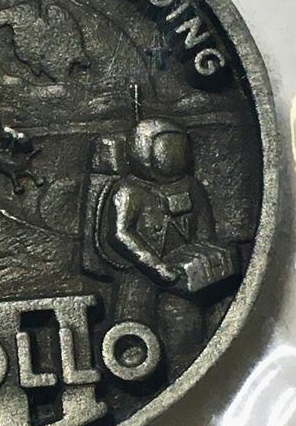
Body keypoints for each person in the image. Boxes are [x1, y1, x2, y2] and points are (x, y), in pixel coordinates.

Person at [93, 119, 236, 379]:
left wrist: (206, 259)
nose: (173, 153)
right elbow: (120, 234)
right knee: (133, 331)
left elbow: (204, 229)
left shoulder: (192, 187)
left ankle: (183, 370)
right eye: (165, 146)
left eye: (177, 145)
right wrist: (154, 266)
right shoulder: (129, 191)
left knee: (185, 328)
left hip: (184, 276)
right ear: (142, 150)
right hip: (139, 275)